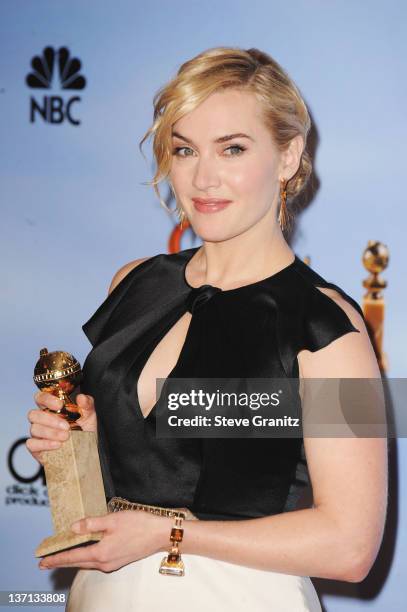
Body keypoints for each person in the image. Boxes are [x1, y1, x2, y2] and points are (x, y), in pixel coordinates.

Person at [26, 47, 388, 611]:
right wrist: (81, 442)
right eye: (185, 149)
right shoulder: (134, 283)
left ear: (289, 155)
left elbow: (353, 545)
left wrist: (170, 535)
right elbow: (148, 472)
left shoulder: (334, 327)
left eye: (233, 149)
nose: (203, 177)